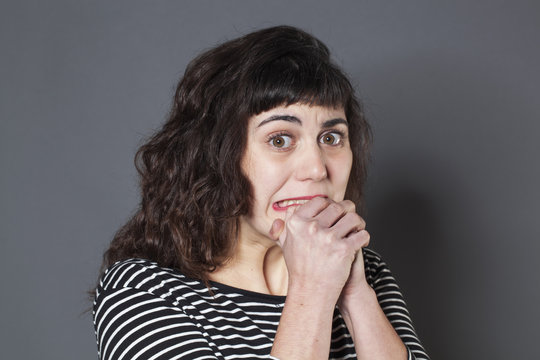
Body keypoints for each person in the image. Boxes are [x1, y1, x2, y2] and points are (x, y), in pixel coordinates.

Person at [93, 25, 430, 360]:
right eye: (280, 139)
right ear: (217, 155)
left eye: (331, 138)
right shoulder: (142, 291)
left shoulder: (366, 271)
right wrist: (314, 290)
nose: (317, 169)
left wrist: (356, 295)